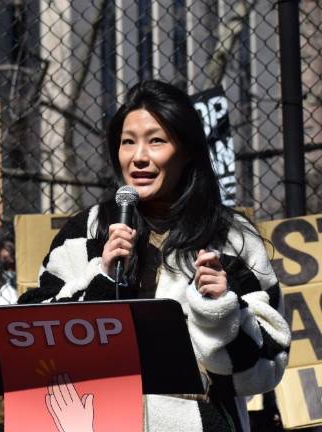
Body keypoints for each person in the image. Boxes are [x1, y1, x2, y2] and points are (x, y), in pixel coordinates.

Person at [19, 80, 291, 432]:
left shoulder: (231, 237)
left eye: (156, 141)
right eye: (128, 142)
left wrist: (222, 310)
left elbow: (268, 367)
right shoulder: (84, 231)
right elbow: (33, 337)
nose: (139, 157)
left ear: (187, 150)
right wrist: (98, 278)